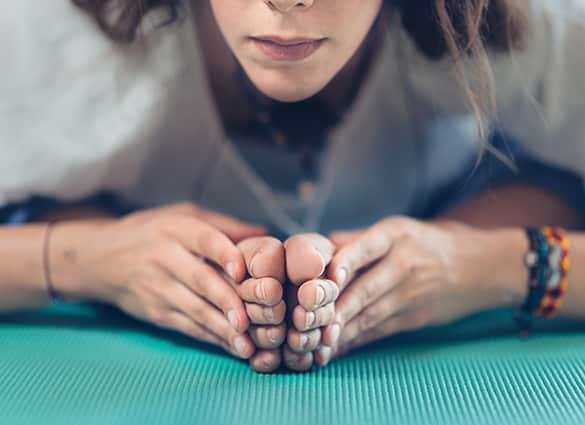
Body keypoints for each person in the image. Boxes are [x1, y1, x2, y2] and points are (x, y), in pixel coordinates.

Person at [1, 0, 584, 373]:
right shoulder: (40, 35)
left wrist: (484, 263)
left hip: (463, 195)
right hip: (90, 201)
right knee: (61, 210)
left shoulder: (530, 20)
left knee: (539, 190)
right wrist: (94, 259)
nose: (286, 2)